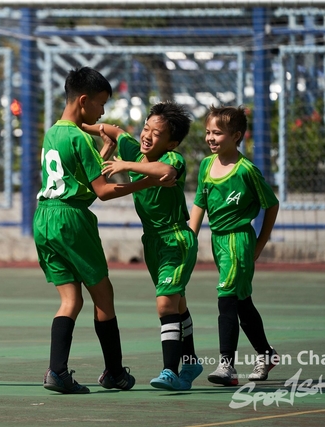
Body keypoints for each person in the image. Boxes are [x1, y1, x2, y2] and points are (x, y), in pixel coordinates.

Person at [35, 67, 173, 394]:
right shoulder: (81, 137)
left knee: (70, 299)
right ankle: (114, 372)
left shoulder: (53, 132)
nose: (103, 112)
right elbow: (103, 191)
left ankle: (56, 371)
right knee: (103, 296)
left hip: (44, 218)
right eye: (100, 104)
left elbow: (71, 178)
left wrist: (103, 155)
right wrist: (147, 181)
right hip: (72, 222)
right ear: (83, 101)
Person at [86, 101, 202, 391]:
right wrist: (83, 126)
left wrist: (125, 164)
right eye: (146, 128)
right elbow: (112, 129)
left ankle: (169, 371)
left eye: (157, 133)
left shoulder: (173, 160)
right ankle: (190, 360)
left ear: (172, 142)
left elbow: (163, 171)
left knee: (165, 304)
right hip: (152, 242)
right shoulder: (133, 147)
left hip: (175, 238)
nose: (147, 136)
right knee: (177, 303)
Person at [189, 105, 279, 386]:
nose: (211, 138)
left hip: (238, 240)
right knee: (241, 302)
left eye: (218, 133)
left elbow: (271, 205)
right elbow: (199, 204)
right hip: (218, 242)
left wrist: (260, 243)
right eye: (208, 132)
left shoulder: (246, 171)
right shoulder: (206, 165)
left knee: (226, 298)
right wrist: (190, 239)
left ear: (237, 135)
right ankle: (266, 354)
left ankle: (226, 365)